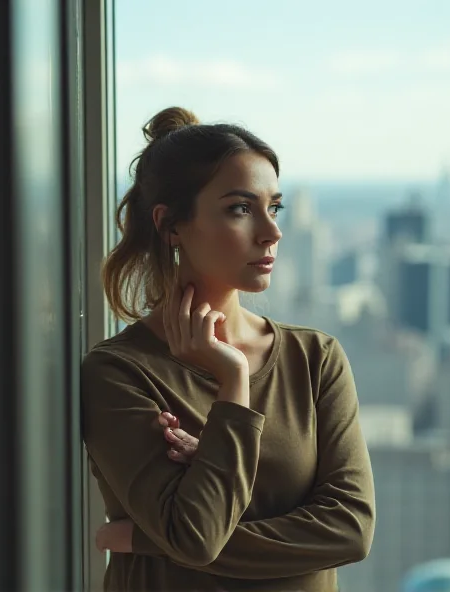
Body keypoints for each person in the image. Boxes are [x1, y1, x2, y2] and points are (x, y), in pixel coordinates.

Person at [81, 107, 376, 591]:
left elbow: (350, 530)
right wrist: (233, 381)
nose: (272, 231)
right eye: (241, 208)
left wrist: (151, 538)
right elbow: (195, 537)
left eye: (273, 207)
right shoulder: (120, 373)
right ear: (171, 225)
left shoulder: (315, 358)